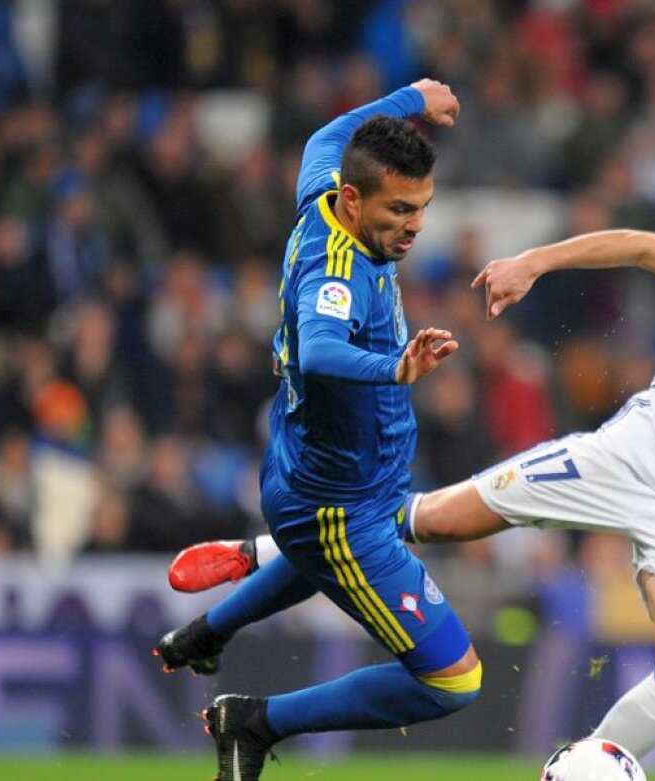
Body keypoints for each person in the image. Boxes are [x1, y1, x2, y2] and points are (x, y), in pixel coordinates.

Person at [168, 221, 655, 760]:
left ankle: (585, 765)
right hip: (635, 454)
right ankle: (261, 548)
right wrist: (535, 261)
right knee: (436, 521)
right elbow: (638, 245)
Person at [153, 78, 484, 781]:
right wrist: (396, 370)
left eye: (422, 208)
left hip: (316, 471)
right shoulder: (335, 272)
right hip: (342, 506)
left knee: (368, 539)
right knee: (455, 680)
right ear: (356, 201)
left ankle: (209, 628)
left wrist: (408, 98)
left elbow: (324, 136)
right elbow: (321, 349)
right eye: (400, 210)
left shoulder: (325, 192)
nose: (415, 226)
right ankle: (255, 719)